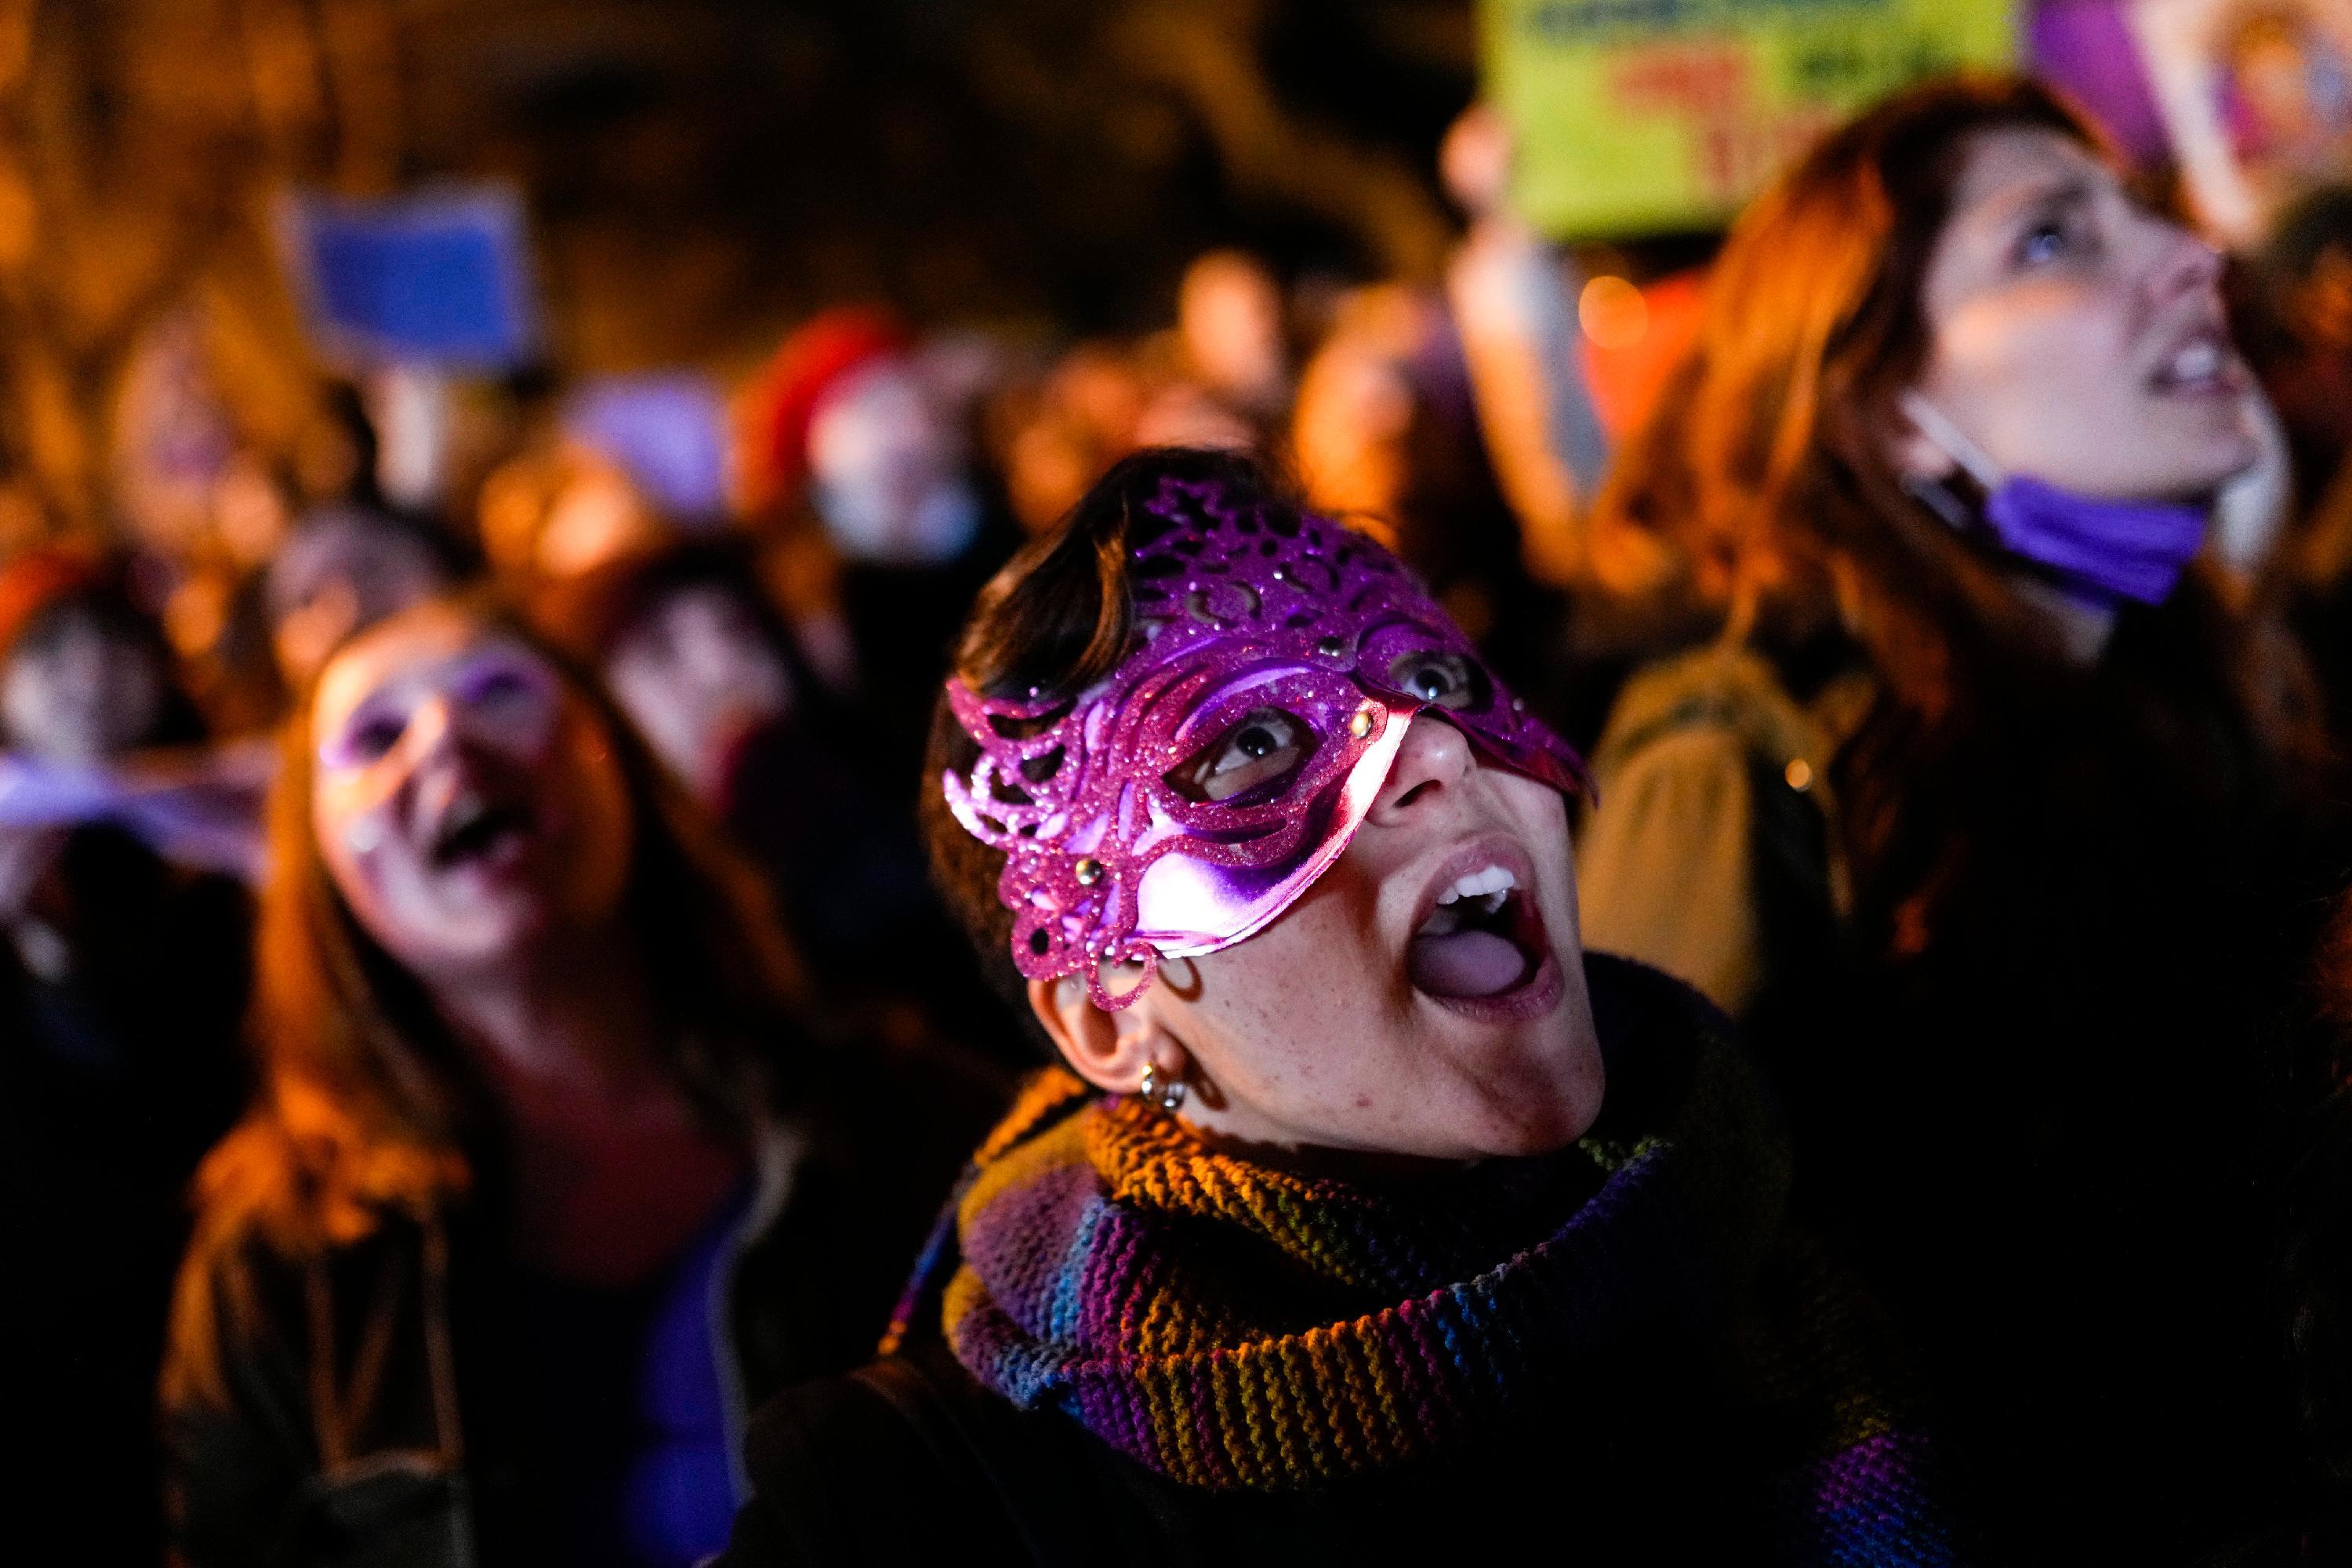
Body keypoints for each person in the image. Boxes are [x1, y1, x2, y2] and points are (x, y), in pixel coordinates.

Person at [716, 449, 1958, 1566]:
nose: (1438, 749)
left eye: (1433, 675)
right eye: (1252, 746)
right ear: (1109, 1018)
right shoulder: (908, 1512)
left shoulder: (1854, 1186)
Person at [1573, 74, 2330, 1557]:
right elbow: (1659, 1349)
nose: (2192, 259)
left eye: (2145, 215)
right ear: (1890, 413)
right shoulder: (1735, 773)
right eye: (2051, 239)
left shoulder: (2203, 693)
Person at [162, 592, 1001, 1568]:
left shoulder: (902, 1116)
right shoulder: (274, 1269)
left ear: (621, 763)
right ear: (318, 865)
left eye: (498, 691)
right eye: (376, 736)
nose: (445, 738)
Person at [0, 547, 254, 1566]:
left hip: (215, 1268)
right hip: (42, 1314)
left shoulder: (221, 831)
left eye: (114, 644)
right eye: (48, 651)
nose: (89, 675)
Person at [532, 542, 1020, 1059]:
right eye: (661, 653)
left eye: (737, 631)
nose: (722, 671)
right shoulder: (660, 941)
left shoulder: (931, 762)